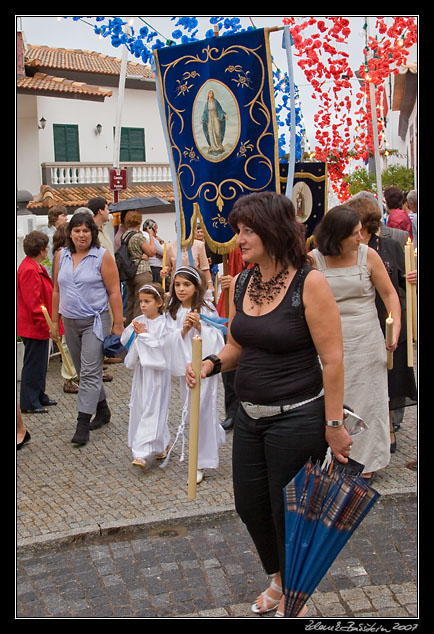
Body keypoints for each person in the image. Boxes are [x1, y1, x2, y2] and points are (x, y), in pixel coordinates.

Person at [186, 192, 352, 618]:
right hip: (249, 416)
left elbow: (332, 360)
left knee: (286, 513)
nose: (238, 239)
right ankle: (277, 577)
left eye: (247, 230)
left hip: (296, 418)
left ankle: (292, 596)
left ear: (273, 230)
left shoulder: (308, 283)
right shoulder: (244, 281)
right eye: (238, 230)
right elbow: (239, 344)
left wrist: (334, 423)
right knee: (249, 504)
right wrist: (210, 363)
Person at [311, 205, 401, 482]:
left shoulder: (368, 255)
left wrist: (394, 326)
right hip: (328, 339)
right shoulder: (314, 260)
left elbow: (389, 294)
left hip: (366, 337)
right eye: (354, 234)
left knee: (368, 398)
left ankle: (367, 460)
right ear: (337, 236)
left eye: (361, 232)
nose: (361, 238)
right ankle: (330, 457)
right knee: (330, 400)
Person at [347, 195, 417, 453]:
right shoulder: (346, 247)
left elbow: (399, 284)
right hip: (360, 318)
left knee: (389, 375)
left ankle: (387, 429)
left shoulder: (389, 246)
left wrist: (413, 278)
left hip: (386, 316)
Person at [51, 212, 124, 446]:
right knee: (83, 371)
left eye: (85, 230)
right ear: (70, 233)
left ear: (93, 233)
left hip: (96, 320)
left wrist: (118, 324)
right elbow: (56, 290)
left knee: (91, 371)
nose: (81, 235)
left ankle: (82, 423)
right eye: (77, 230)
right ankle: (103, 410)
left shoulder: (101, 256)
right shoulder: (60, 256)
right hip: (70, 321)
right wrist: (54, 321)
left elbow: (114, 291)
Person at [165, 265, 226, 484]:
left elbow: (219, 339)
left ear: (196, 286)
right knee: (192, 409)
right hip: (185, 368)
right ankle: (214, 433)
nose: (181, 289)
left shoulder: (206, 308)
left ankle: (200, 460)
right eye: (178, 285)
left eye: (186, 285)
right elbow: (166, 340)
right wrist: (182, 331)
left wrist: (200, 327)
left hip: (204, 367)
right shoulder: (172, 312)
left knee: (200, 409)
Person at [121, 283, 171, 468]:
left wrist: (145, 335)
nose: (143, 305)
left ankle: (141, 452)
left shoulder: (164, 323)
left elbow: (163, 348)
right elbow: (125, 341)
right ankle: (162, 443)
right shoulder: (139, 320)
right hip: (143, 372)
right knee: (142, 406)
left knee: (153, 407)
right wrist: (135, 333)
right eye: (141, 301)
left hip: (157, 373)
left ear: (158, 302)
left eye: (147, 301)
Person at [17, 230, 62, 413]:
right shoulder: (29, 269)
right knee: (33, 363)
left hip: (38, 324)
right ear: (42, 250)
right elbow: (33, 302)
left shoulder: (36, 267)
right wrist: (47, 325)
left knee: (40, 362)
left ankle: (39, 394)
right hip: (34, 325)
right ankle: (29, 401)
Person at [51, 225, 80, 394]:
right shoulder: (61, 255)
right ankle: (69, 376)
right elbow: (58, 284)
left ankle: (75, 372)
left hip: (71, 303)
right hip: (66, 303)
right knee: (67, 343)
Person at [122, 210, 156, 326]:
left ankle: (128, 328)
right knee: (141, 303)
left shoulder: (125, 235)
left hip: (130, 271)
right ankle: (137, 328)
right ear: (139, 221)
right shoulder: (138, 237)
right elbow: (152, 251)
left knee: (130, 302)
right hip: (142, 271)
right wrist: (151, 235)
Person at [41, 205, 68, 275]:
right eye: (63, 216)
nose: (66, 218)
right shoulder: (50, 236)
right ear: (55, 218)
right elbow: (50, 259)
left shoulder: (59, 232)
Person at [142, 219, 166, 283]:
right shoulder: (150, 238)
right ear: (151, 228)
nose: (156, 231)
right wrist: (162, 241)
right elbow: (163, 251)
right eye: (156, 229)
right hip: (155, 269)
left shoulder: (142, 236)